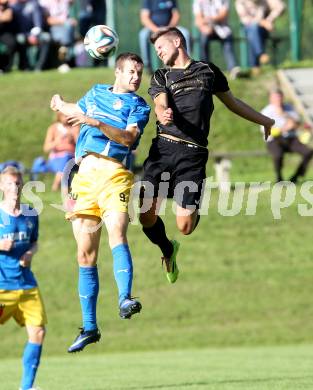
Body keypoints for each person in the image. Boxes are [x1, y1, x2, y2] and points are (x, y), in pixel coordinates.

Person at [139, 27, 274, 283]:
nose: (158, 53)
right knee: (145, 214)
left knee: (185, 227)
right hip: (164, 149)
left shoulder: (208, 71)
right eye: (155, 50)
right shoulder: (161, 76)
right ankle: (167, 250)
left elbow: (233, 103)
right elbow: (159, 100)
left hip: (192, 155)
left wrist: (265, 120)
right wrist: (162, 112)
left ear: (177, 41)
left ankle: (192, 207)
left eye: (161, 47)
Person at [50, 52, 150, 353]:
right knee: (85, 255)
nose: (136, 77)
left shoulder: (138, 106)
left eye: (139, 73)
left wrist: (92, 120)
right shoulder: (95, 92)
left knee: (117, 231)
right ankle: (89, 327)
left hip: (115, 174)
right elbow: (72, 113)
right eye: (131, 71)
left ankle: (125, 298)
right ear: (117, 72)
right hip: (83, 179)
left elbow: (128, 139)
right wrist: (59, 104)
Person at [0, 166, 47, 390]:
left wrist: (30, 252)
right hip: (2, 288)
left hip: (27, 285)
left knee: (38, 331)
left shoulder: (30, 214)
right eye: (9, 184)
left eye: (18, 183)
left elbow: (34, 241)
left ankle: (26, 387)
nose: (15, 188)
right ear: (1, 186)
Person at [261, 88, 313, 183]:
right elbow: (265, 131)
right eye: (275, 98)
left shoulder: (289, 108)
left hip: (291, 138)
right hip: (274, 140)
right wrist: (283, 128)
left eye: (279, 97)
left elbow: (297, 123)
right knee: (277, 154)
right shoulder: (266, 111)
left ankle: (296, 176)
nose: (278, 100)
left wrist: (283, 114)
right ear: (270, 99)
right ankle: (279, 176)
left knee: (308, 152)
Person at [139, 0, 190, 74]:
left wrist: (169, 28)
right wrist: (156, 30)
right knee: (143, 35)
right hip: (153, 28)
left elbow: (176, 15)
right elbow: (144, 18)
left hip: (169, 27)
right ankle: (147, 65)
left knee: (185, 33)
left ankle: (186, 63)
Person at [193, 0, 240, 78]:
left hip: (222, 28)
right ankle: (205, 69)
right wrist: (204, 27)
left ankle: (233, 68)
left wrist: (209, 20)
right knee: (203, 40)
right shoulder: (198, 1)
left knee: (228, 38)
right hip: (206, 29)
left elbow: (223, 15)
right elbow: (198, 19)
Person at [235, 0, 285, 71]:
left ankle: (255, 66)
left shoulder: (264, 1)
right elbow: (246, 20)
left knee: (254, 32)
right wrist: (263, 22)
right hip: (247, 28)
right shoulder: (241, 2)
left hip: (262, 30)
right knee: (253, 29)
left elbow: (281, 7)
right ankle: (260, 55)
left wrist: (269, 19)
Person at [42, 111, 79, 191]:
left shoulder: (75, 127)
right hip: (56, 158)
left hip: (72, 158)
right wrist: (57, 141)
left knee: (66, 158)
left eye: (67, 115)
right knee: (65, 159)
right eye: (63, 115)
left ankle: (58, 185)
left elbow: (80, 146)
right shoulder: (53, 128)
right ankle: (63, 187)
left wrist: (74, 136)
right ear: (59, 116)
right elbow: (46, 148)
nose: (66, 118)